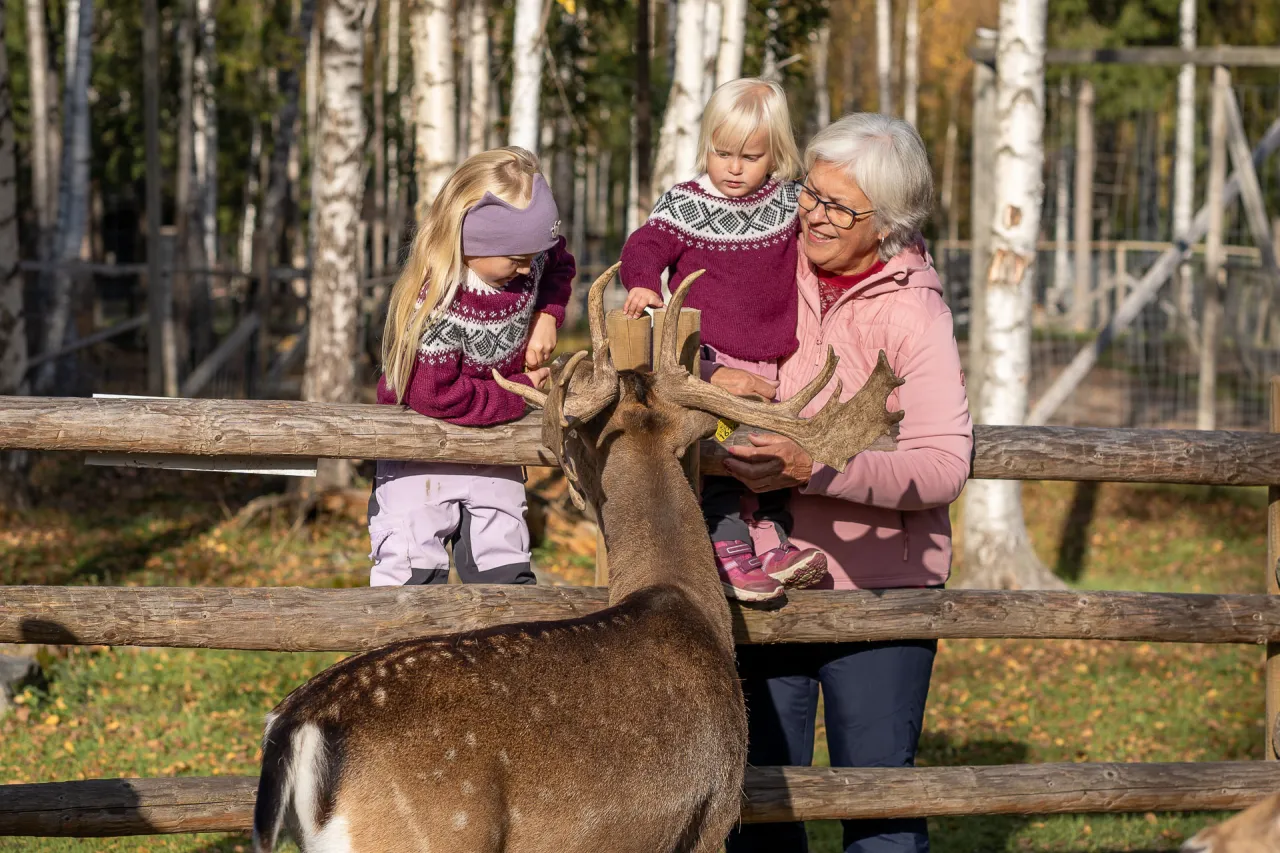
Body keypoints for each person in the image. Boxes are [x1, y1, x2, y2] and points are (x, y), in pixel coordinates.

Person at [718, 113, 973, 853]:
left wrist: (819, 470)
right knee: (760, 801)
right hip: (766, 579)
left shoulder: (916, 310)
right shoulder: (768, 263)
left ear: (889, 223)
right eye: (811, 193)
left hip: (880, 588)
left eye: (840, 207)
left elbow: (941, 464)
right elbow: (707, 356)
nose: (815, 216)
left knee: (878, 801)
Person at [618, 77, 828, 603]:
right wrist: (643, 281)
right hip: (709, 360)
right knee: (725, 457)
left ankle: (773, 542)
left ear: (775, 154)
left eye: (751, 156)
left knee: (773, 451)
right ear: (706, 145)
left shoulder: (787, 204)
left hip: (774, 360)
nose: (734, 168)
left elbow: (829, 234)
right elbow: (645, 245)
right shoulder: (688, 203)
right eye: (722, 153)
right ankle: (727, 544)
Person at [368, 147, 575, 589]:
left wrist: (547, 316)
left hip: (495, 450)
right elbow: (439, 396)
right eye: (516, 258)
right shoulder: (436, 306)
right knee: (410, 580)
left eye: (532, 255)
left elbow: (560, 264)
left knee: (504, 577)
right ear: (470, 241)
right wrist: (520, 390)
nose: (526, 269)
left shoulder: (526, 260)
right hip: (421, 459)